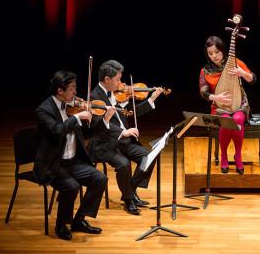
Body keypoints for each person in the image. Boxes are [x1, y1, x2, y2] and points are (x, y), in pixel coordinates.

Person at [33, 70, 107, 241]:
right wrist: (77, 118)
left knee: (100, 179)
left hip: (72, 162)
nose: (76, 93)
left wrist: (104, 121)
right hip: (53, 164)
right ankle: (61, 224)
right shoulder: (43, 110)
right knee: (71, 186)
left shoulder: (72, 107)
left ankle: (79, 220)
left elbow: (86, 135)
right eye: (72, 88)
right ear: (60, 90)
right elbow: (57, 130)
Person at [88, 60, 164, 215]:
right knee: (123, 164)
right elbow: (98, 125)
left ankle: (130, 191)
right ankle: (129, 199)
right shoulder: (94, 96)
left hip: (124, 142)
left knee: (149, 156)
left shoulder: (118, 94)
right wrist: (123, 132)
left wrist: (152, 99)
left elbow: (133, 113)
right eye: (117, 80)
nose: (121, 83)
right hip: (105, 143)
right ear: (107, 80)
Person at [199, 35, 256, 174]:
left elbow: (253, 79)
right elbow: (203, 92)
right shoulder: (205, 70)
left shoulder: (235, 62)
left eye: (217, 52)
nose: (214, 56)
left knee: (237, 119)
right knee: (226, 121)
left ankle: (238, 155)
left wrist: (241, 73)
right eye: (210, 53)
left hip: (239, 104)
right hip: (219, 107)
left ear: (223, 50)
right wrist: (216, 97)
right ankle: (224, 155)